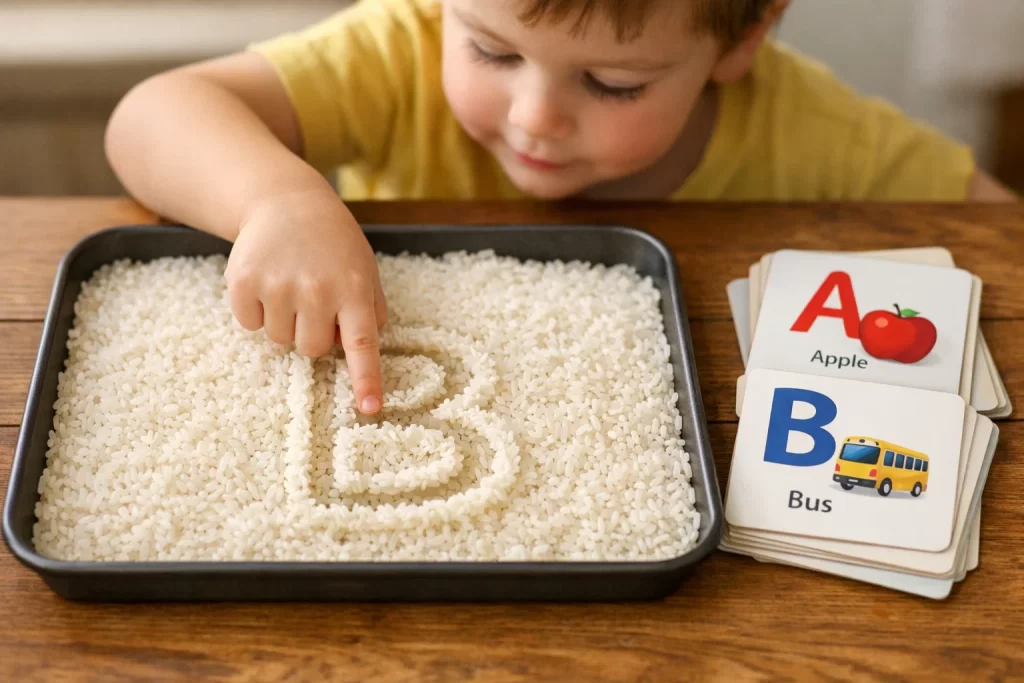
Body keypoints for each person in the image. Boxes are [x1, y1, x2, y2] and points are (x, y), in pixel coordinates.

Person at [104, 0, 1018, 416]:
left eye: (614, 82)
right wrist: (279, 195)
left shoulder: (811, 126)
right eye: (493, 54)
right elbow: (151, 117)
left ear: (743, 37)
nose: (536, 115)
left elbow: (995, 228)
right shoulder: (400, 48)